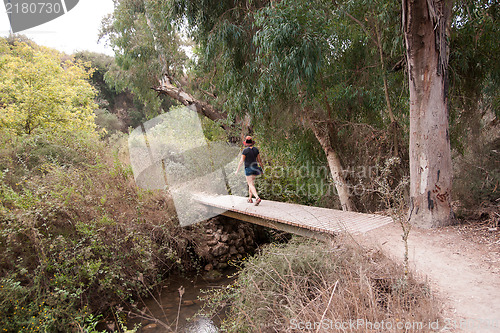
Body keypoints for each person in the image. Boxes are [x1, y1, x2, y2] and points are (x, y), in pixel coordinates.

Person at [235, 136, 263, 205]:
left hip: (248, 169)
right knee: (251, 183)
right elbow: (259, 160)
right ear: (252, 143)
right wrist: (262, 168)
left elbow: (241, 161)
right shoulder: (256, 150)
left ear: (246, 143)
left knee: (250, 184)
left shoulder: (245, 151)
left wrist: (237, 170)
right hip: (255, 168)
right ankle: (250, 199)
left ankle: (257, 198)